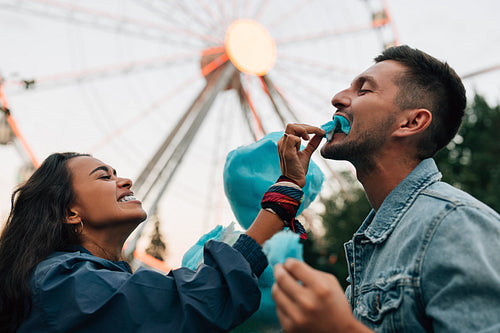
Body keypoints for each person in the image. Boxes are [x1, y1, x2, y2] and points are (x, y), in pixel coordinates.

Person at [0, 123, 324, 332]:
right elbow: (192, 304)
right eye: (104, 177)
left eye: (116, 173)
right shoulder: (62, 283)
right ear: (70, 212)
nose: (125, 180)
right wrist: (284, 195)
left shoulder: (82, 280)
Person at [271, 45, 500, 332]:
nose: (338, 98)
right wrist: (288, 186)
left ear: (411, 122)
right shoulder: (373, 241)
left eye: (363, 90)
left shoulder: (455, 224)